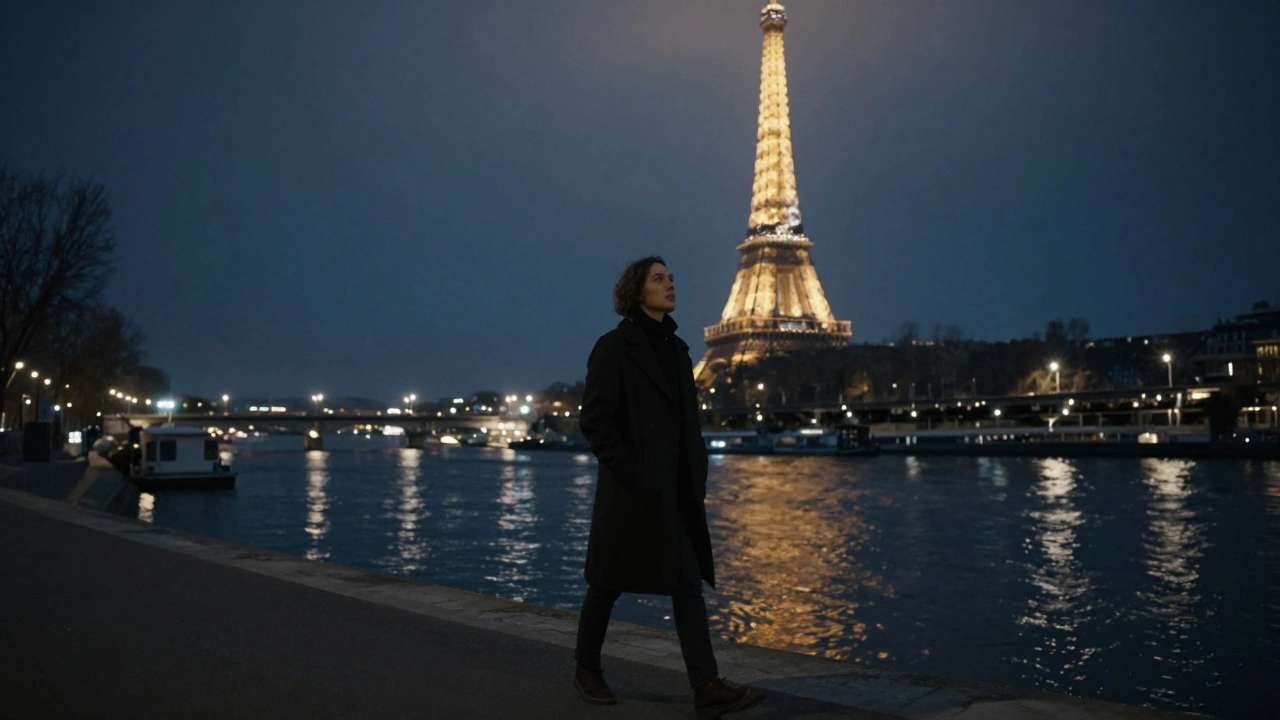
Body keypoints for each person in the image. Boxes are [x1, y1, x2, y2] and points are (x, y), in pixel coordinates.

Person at [573, 256, 764, 718]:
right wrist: (634, 471)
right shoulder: (614, 347)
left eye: (671, 278)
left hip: (672, 491)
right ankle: (586, 668)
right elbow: (595, 421)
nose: (669, 285)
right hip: (631, 490)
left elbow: (687, 425)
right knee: (606, 584)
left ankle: (706, 686)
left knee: (686, 586)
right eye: (659, 279)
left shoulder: (678, 350)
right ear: (638, 291)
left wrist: (693, 471)